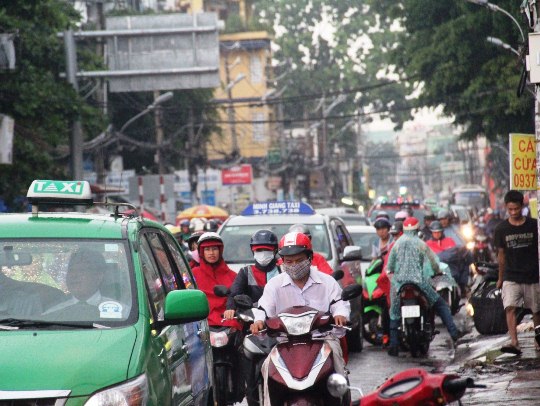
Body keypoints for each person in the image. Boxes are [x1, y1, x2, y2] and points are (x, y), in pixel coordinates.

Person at [250, 232, 350, 406]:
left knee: (336, 361)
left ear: (310, 258)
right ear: (282, 261)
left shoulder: (327, 282)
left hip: (322, 339)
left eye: (298, 260)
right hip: (284, 343)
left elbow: (339, 303)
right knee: (266, 367)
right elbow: (263, 308)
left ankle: (342, 398)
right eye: (288, 261)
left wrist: (340, 315)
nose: (294, 265)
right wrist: (258, 321)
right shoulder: (274, 285)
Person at [386, 217, 461, 356]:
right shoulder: (421, 244)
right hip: (419, 283)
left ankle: (394, 345)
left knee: (394, 312)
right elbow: (433, 262)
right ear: (417, 229)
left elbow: (389, 267)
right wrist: (437, 271)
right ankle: (454, 334)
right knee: (441, 305)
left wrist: (394, 276)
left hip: (399, 284)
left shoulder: (396, 245)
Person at [224, 229, 281, 406]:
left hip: (280, 328)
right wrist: (230, 309)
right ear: (253, 251)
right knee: (243, 364)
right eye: (258, 250)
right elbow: (234, 294)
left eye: (266, 249)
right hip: (252, 329)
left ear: (275, 250)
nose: (262, 254)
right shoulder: (245, 272)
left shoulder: (283, 272)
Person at [494, 190, 540, 355]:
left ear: (522, 206)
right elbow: (501, 256)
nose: (513, 212)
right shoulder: (501, 229)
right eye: (510, 209)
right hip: (511, 276)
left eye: (516, 209)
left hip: (532, 275)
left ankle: (538, 339)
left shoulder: (534, 225)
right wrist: (500, 278)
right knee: (510, 308)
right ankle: (514, 342)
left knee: (536, 310)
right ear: (506, 207)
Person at [43, 248, 129, 319]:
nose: (74, 276)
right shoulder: (53, 314)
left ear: (98, 276)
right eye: (71, 270)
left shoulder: (122, 313)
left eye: (81, 270)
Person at [191, 232, 240, 329]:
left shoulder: (233, 276)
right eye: (207, 249)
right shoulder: (192, 275)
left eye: (214, 249)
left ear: (220, 251)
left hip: (228, 325)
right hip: (201, 325)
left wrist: (232, 308)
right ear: (202, 252)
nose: (211, 253)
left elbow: (239, 297)